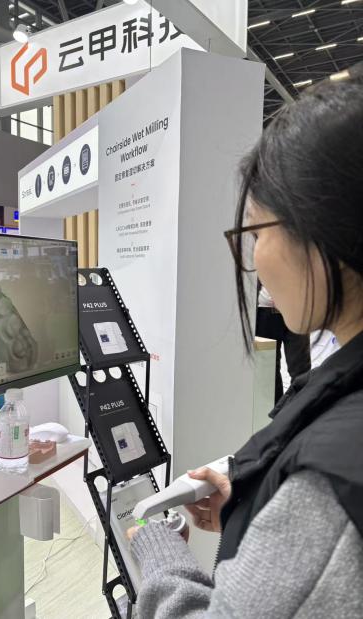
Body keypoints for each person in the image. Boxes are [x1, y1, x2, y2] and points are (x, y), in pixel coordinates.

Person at [127, 72, 363, 618]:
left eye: (256, 233)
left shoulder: (330, 484)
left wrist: (158, 555)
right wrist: (261, 504)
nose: (253, 258)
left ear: (324, 231)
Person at [256, 283, 311, 403]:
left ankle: (300, 408)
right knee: (269, 370)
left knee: (301, 368)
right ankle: (275, 410)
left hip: (296, 308)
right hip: (266, 310)